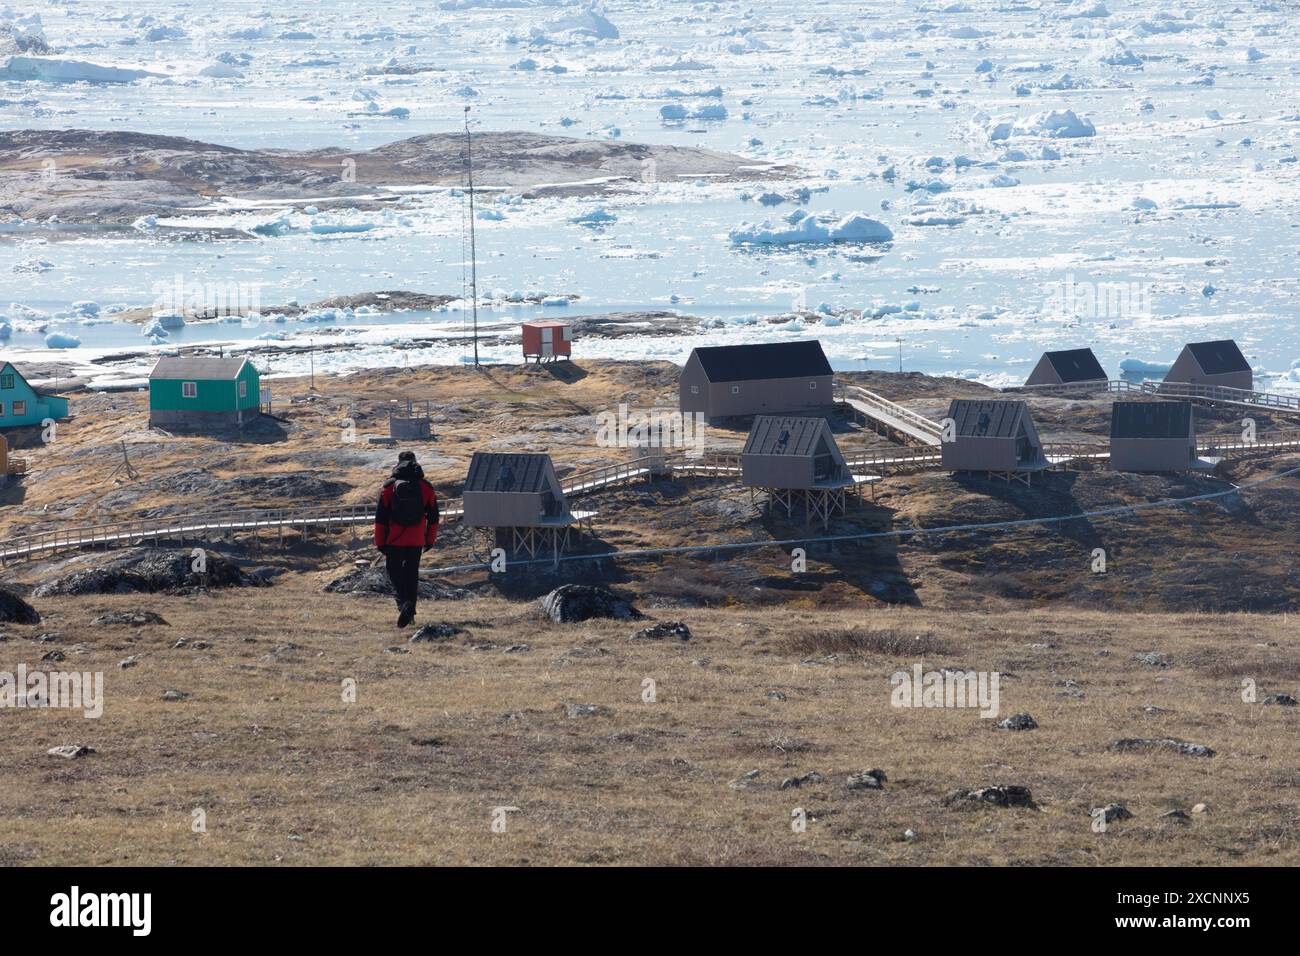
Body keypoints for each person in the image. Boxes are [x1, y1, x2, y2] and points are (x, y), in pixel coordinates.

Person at [374, 450, 440, 628]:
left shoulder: (389, 487)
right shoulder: (426, 487)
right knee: (412, 576)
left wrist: (380, 543)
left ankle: (404, 604)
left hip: (394, 541)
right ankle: (409, 613)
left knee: (394, 574)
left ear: (398, 463)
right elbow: (434, 518)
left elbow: (380, 519)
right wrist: (429, 541)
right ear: (415, 462)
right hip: (416, 541)